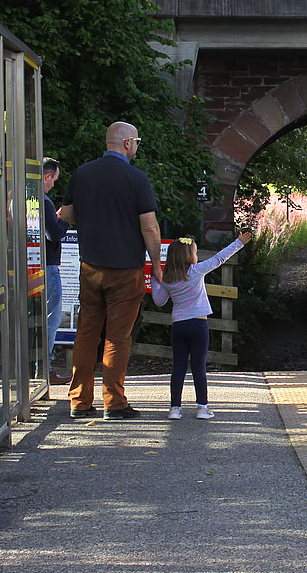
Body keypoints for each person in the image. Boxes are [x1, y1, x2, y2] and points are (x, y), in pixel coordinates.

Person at [57, 122, 161, 421]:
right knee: (117, 338)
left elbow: (67, 215)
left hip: (90, 267)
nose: (137, 146)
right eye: (137, 141)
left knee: (87, 334)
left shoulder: (82, 174)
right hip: (126, 269)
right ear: (128, 143)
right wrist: (155, 264)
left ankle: (79, 401)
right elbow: (149, 226)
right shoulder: (136, 178)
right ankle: (114, 403)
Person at [151, 231, 251, 419]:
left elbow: (159, 301)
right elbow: (220, 258)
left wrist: (154, 279)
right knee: (198, 367)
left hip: (179, 326)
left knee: (178, 367)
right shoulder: (196, 271)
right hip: (198, 326)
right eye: (195, 252)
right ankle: (202, 408)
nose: (197, 256)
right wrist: (239, 242)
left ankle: (174, 409)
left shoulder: (167, 278)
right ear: (190, 256)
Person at [41, 157, 70, 385]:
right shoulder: (45, 202)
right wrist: (64, 220)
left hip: (33, 265)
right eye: (53, 180)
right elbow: (55, 234)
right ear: (47, 176)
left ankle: (38, 364)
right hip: (48, 265)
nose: (53, 185)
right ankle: (46, 366)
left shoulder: (21, 199)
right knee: (52, 317)